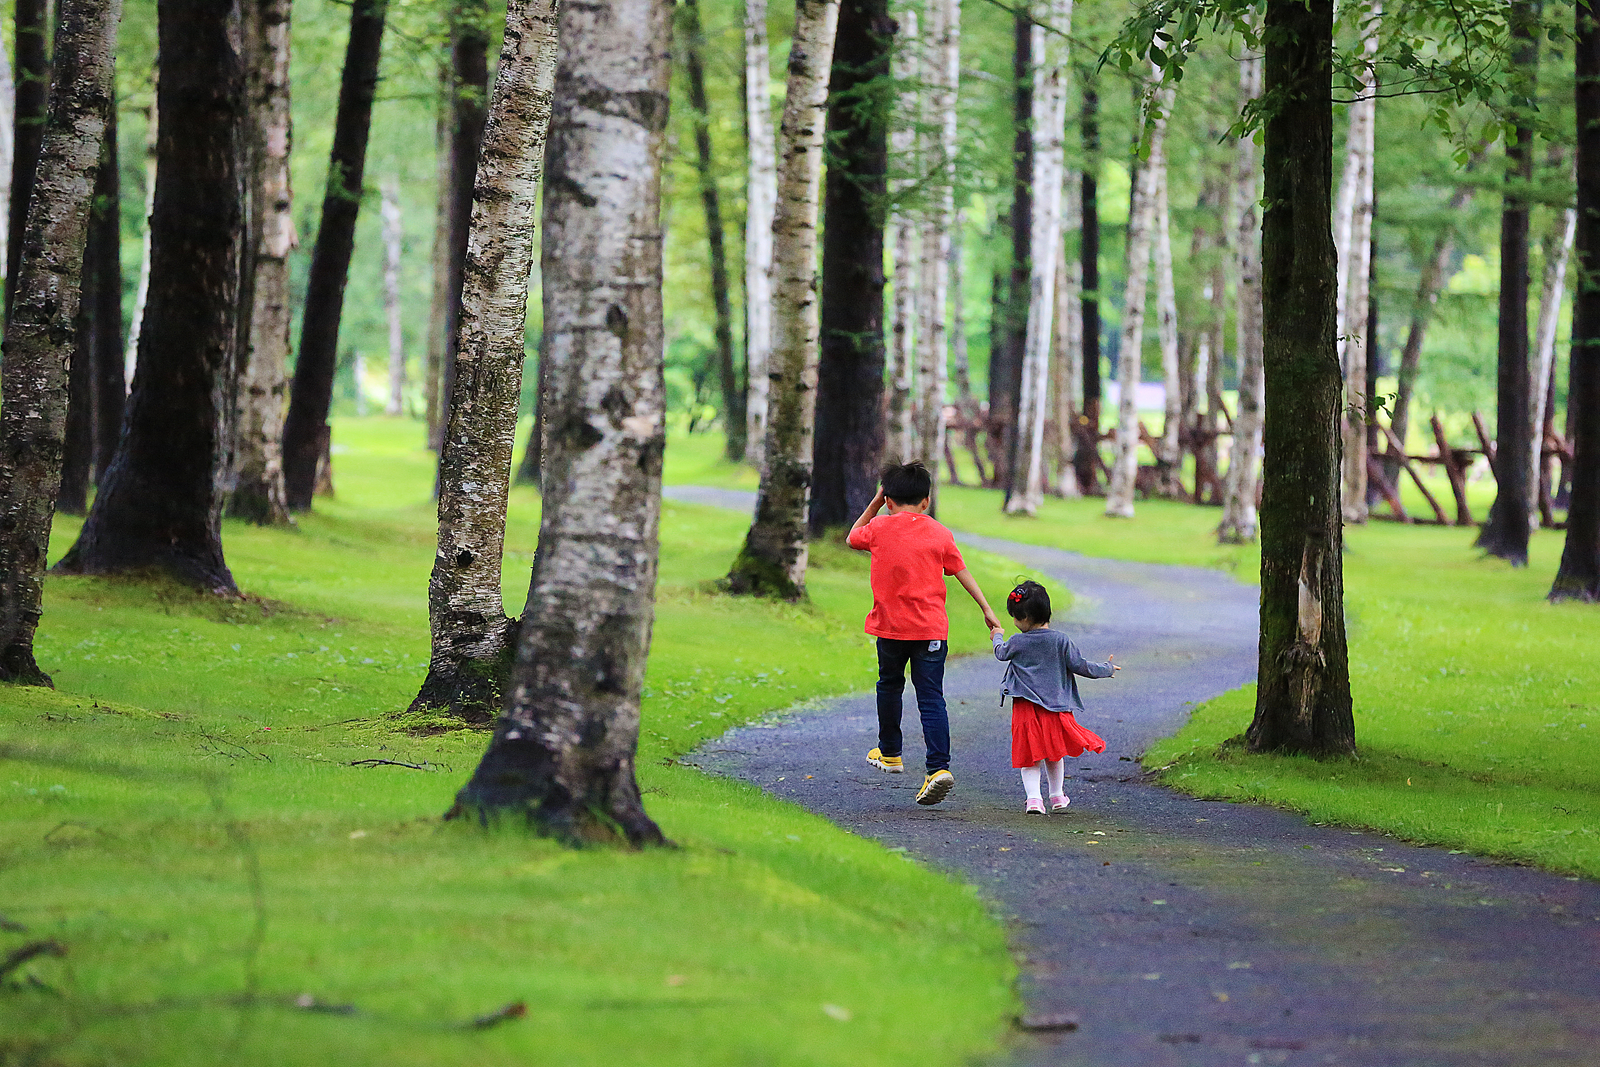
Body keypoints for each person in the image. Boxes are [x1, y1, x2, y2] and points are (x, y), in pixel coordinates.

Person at [847, 461, 1003, 806]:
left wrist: (874, 503)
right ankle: (938, 768)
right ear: (926, 501)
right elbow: (961, 572)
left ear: (888, 499)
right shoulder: (939, 533)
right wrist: (986, 609)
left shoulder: (878, 528)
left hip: (890, 630)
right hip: (931, 630)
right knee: (931, 697)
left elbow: (851, 537)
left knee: (889, 684)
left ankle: (890, 753)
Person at [991, 579, 1118, 814]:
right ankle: (1057, 796)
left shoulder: (1017, 641)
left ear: (1025, 618)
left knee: (1029, 757)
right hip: (1056, 707)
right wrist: (1106, 669)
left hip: (1025, 709)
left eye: (1015, 617)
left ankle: (1034, 800)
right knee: (1054, 754)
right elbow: (1080, 666)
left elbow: (1000, 653)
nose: (1015, 622)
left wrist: (997, 635)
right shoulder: (1061, 640)